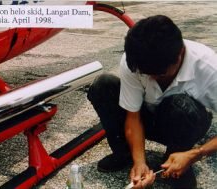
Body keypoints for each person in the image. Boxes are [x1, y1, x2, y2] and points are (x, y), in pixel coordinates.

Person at [87, 15, 217, 188]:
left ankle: (177, 159)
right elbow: (132, 116)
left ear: (179, 56)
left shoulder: (209, 67)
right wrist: (139, 161)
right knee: (103, 86)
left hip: (186, 121)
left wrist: (196, 153)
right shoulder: (136, 59)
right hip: (149, 117)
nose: (151, 78)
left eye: (159, 74)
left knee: (181, 106)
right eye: (145, 74)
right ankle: (124, 154)